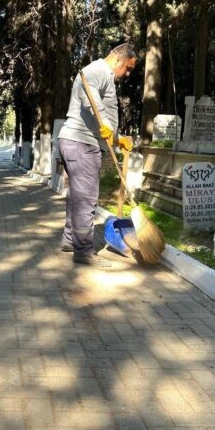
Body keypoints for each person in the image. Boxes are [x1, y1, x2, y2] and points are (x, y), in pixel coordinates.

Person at [57, 43, 137, 268]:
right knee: (85, 199)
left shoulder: (106, 76)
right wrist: (104, 125)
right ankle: (83, 251)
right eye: (128, 68)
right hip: (81, 142)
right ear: (119, 60)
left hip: (77, 140)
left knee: (77, 196)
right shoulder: (97, 70)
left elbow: (102, 111)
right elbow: (89, 97)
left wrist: (115, 137)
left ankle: (69, 240)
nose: (128, 74)